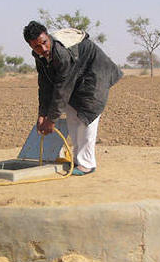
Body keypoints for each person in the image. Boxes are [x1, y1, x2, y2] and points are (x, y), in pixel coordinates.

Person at [23, 20, 123, 175]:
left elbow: (62, 88)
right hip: (77, 78)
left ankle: (87, 164)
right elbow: (45, 85)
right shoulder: (40, 56)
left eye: (44, 43)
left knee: (86, 117)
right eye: (37, 46)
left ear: (48, 37)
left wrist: (51, 120)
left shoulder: (61, 53)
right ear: (31, 46)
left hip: (95, 75)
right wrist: (42, 114)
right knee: (72, 116)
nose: (43, 49)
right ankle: (77, 160)